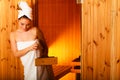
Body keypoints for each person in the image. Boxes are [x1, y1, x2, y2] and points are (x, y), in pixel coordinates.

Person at [10, 1, 54, 80]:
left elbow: (45, 47)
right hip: (28, 68)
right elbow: (16, 54)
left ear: (31, 22)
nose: (25, 27)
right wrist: (30, 48)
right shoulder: (13, 35)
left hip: (41, 68)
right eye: (22, 24)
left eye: (28, 24)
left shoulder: (36, 31)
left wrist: (40, 50)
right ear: (18, 21)